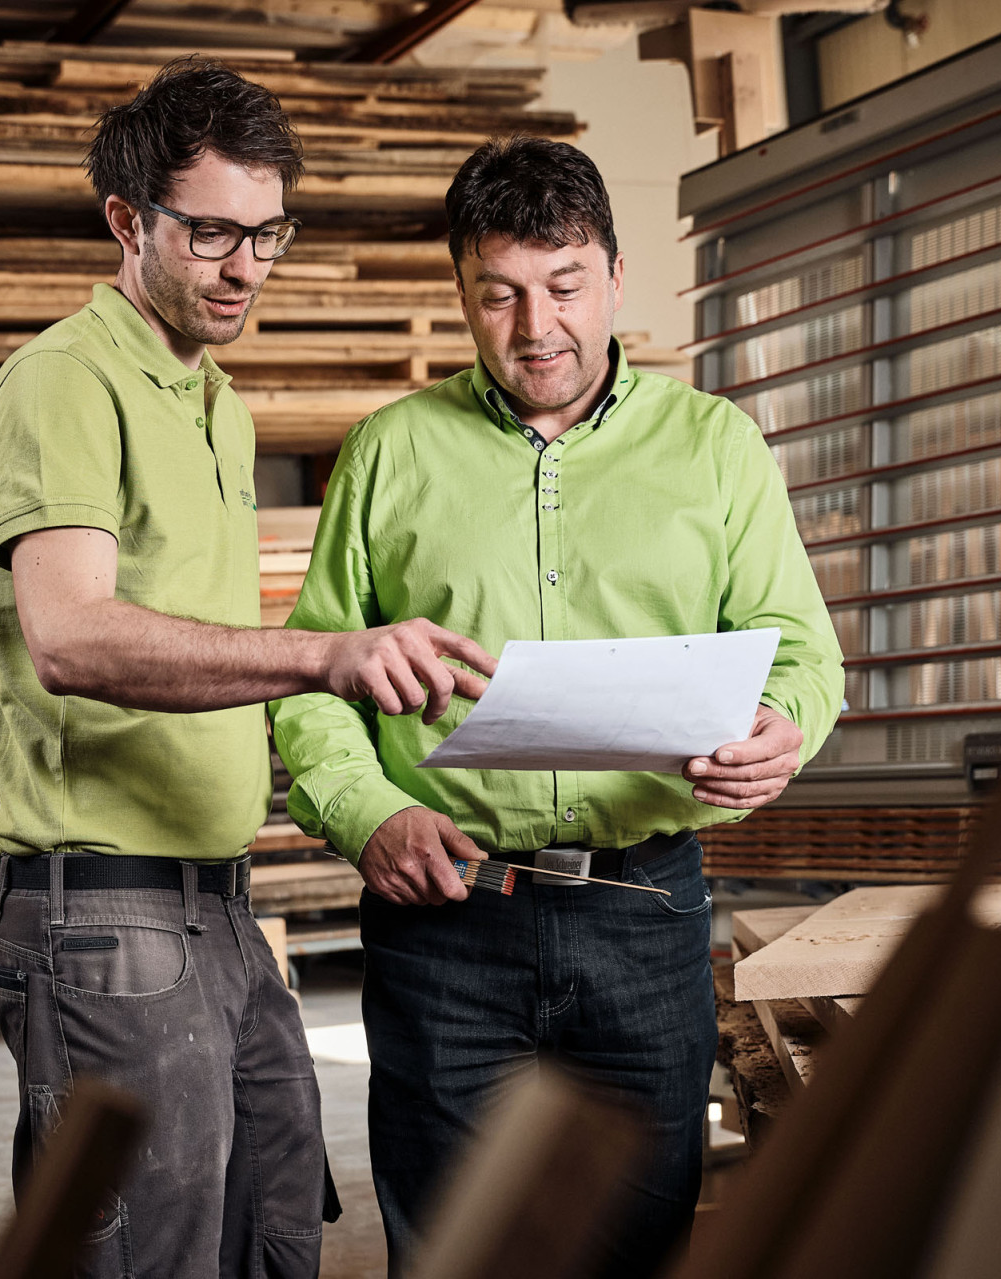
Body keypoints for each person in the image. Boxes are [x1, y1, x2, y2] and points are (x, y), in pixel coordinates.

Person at [269, 136, 845, 1276]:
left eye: (564, 286)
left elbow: (800, 654)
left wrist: (780, 728)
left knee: (632, 1248)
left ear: (615, 277)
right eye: (502, 295)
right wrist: (364, 812)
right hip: (443, 917)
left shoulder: (715, 448)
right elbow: (312, 680)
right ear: (464, 298)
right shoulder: (389, 453)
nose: (537, 327)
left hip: (644, 912)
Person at [0, 59, 496, 1279]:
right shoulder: (66, 384)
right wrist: (323, 656)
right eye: (210, 231)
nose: (244, 266)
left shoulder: (215, 400)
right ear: (127, 221)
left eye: (267, 234)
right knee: (151, 1258)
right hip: (102, 914)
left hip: (218, 902)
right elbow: (72, 635)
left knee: (270, 1231)